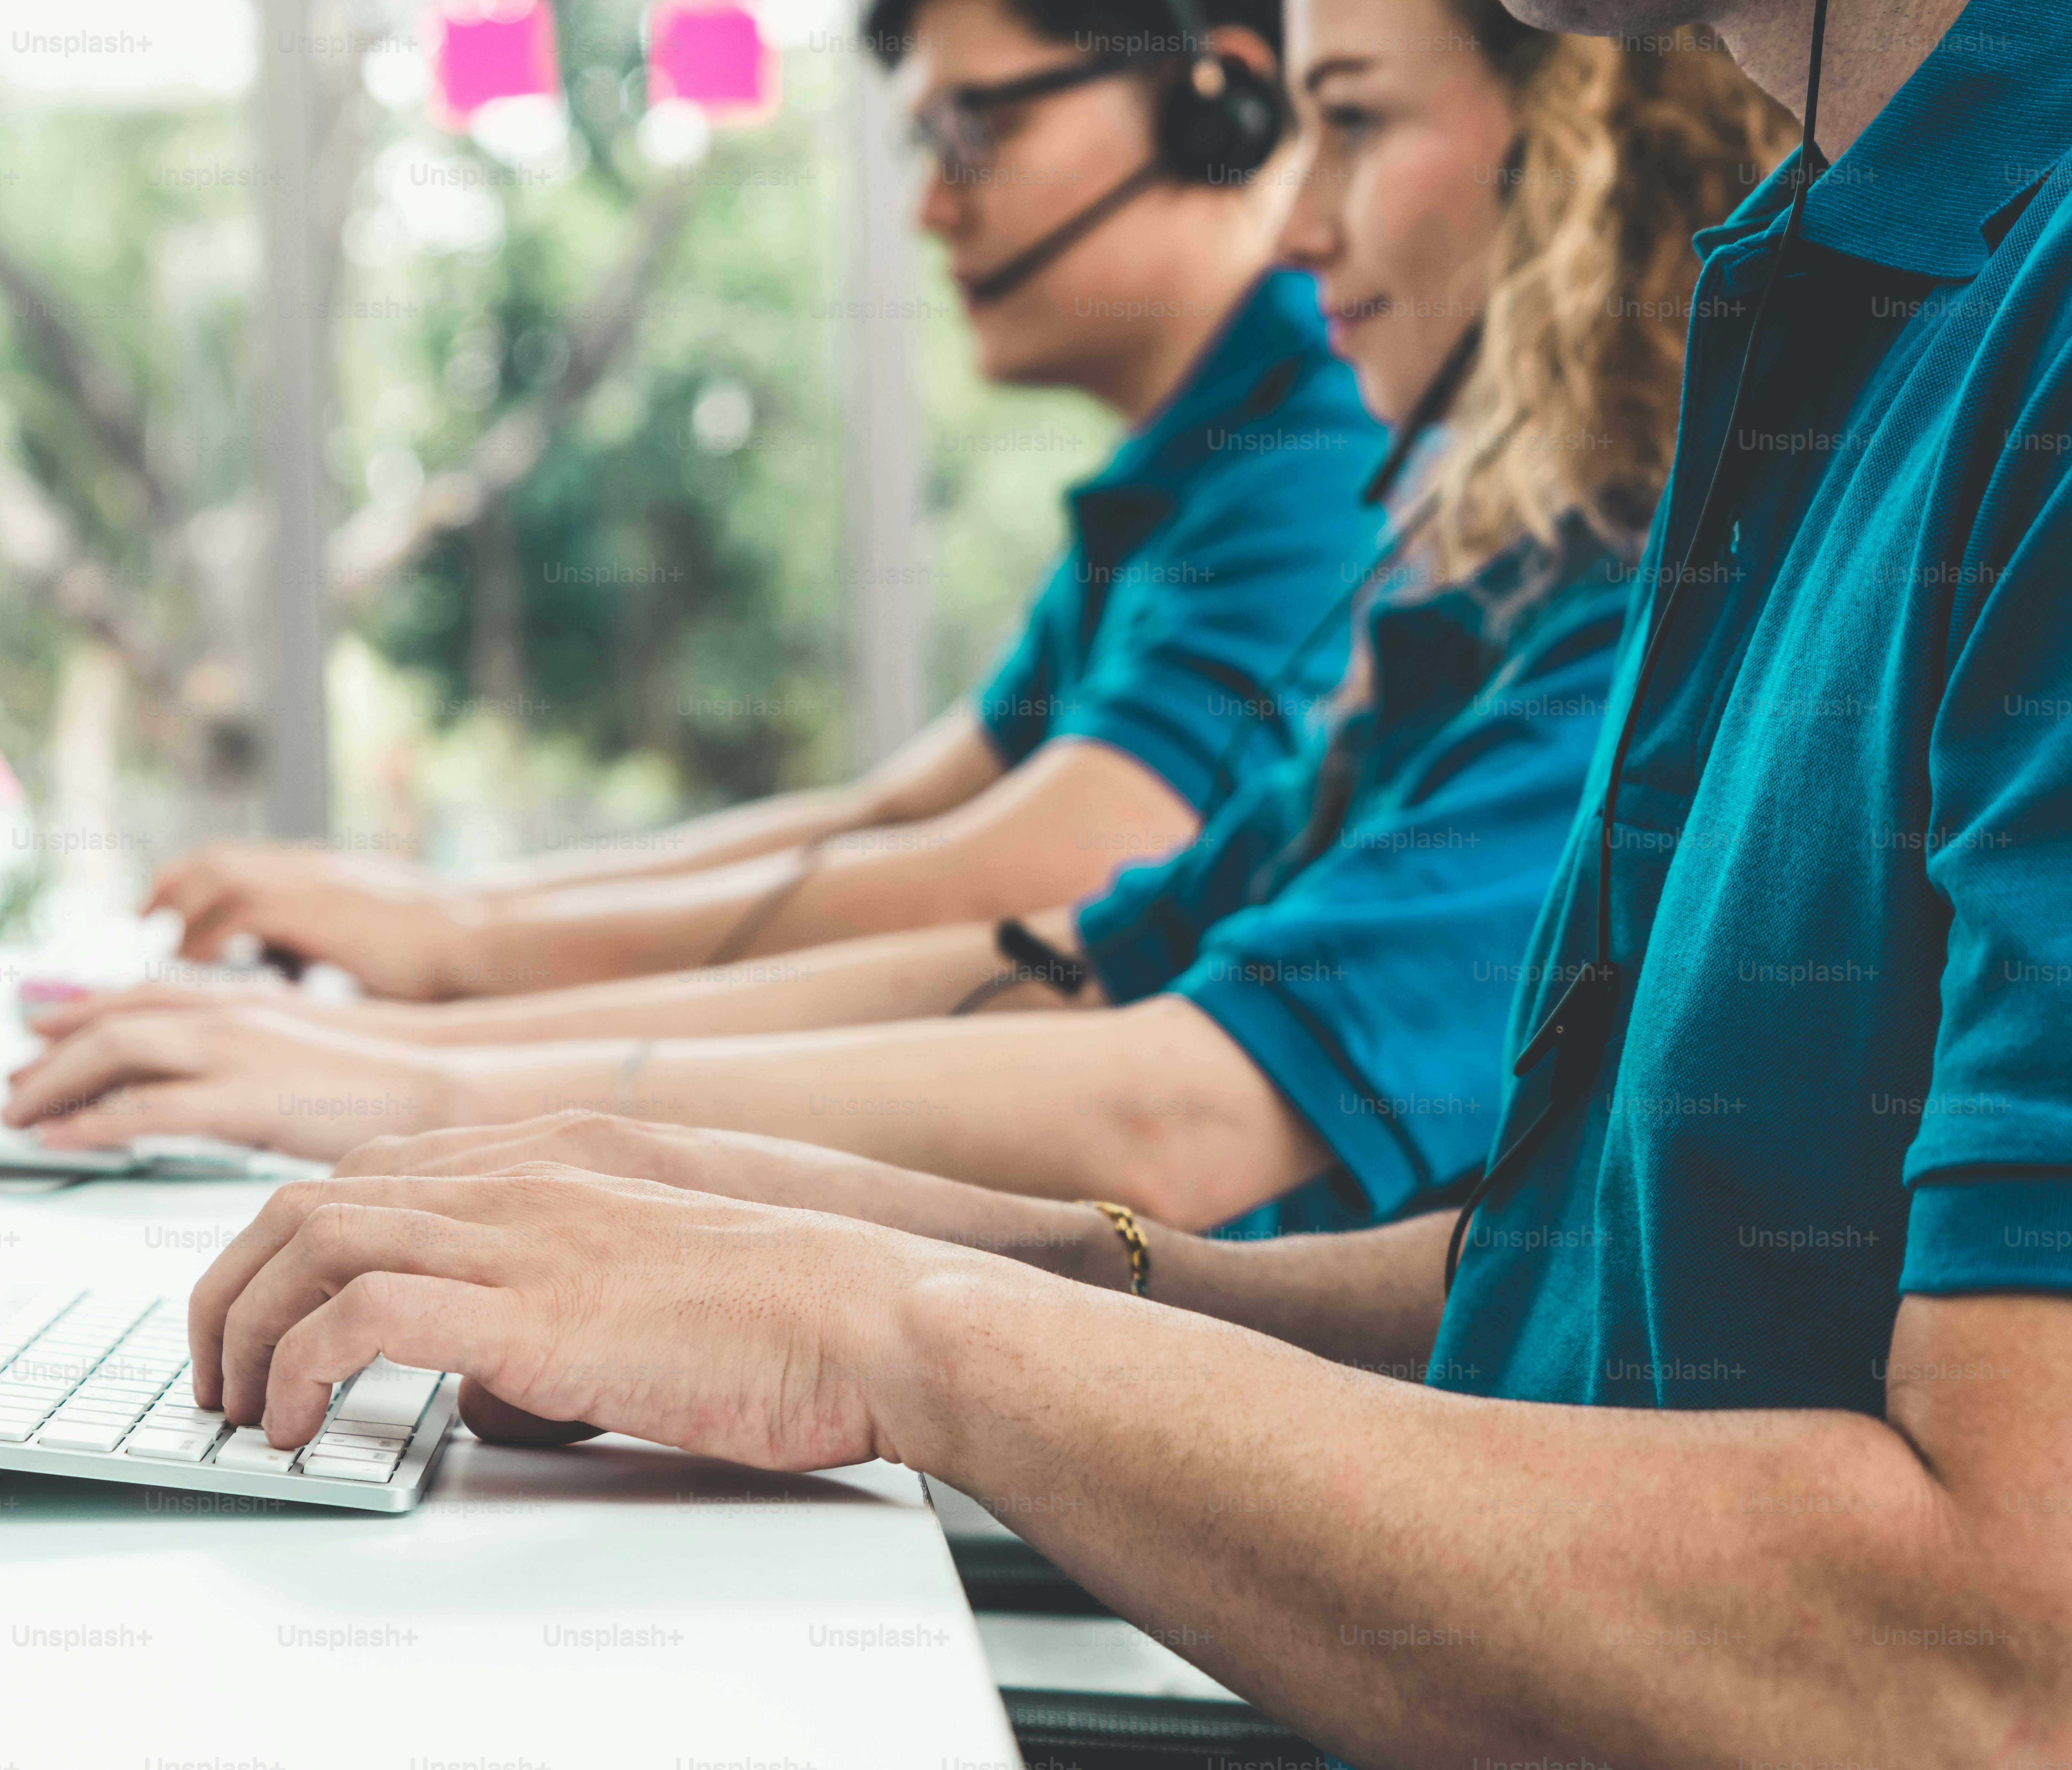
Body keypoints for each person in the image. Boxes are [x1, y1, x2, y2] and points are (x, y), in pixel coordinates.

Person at [176, 0, 2072, 1757]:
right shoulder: (1846, 315)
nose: (1292, 224)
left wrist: (883, 1324)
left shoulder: (2008, 355)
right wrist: (827, 1233)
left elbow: (1994, 1662)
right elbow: (1587, 1309)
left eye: (1349, 125)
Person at [5, 7, 1784, 1244]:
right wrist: (432, 1011)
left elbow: (1136, 1057)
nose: (1301, 221)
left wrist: (441, 1049)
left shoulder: (1366, 484)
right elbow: (1005, 907)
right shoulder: (1455, 590)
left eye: (973, 129)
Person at [141, 0, 1390, 1001]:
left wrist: (470, 957)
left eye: (973, 136)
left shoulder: (1321, 444)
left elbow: (1042, 872)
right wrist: (446, 914)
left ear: (1215, 103)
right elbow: (899, 813)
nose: (928, 208)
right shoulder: (1186, 470)